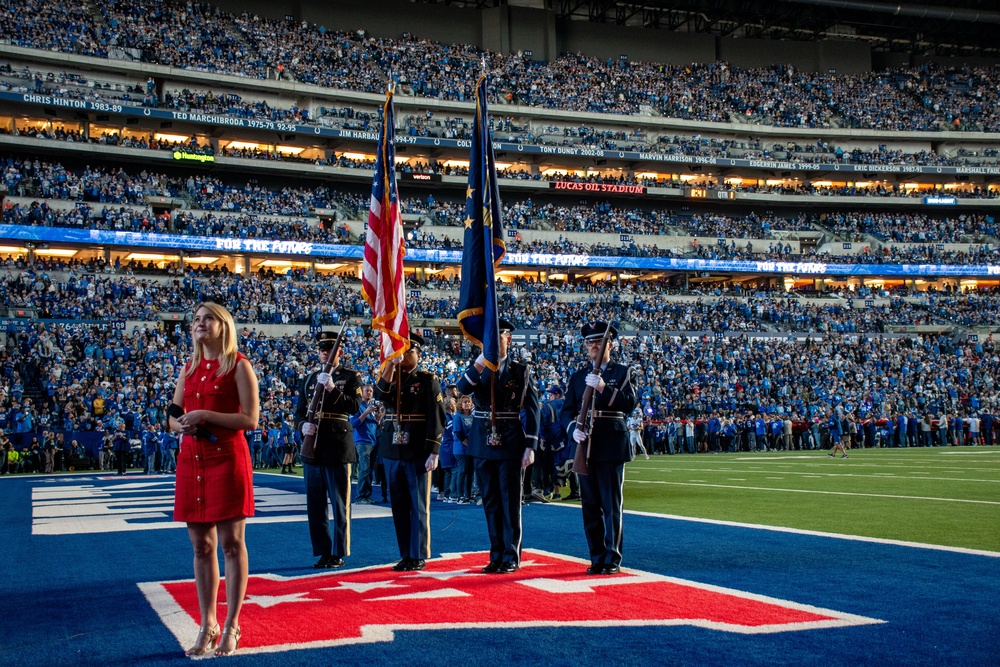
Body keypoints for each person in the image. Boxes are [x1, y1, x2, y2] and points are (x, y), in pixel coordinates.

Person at [169, 302, 259, 657]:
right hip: (193, 461)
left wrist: (206, 414)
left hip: (227, 460)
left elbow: (250, 419)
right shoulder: (187, 368)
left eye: (207, 319)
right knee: (200, 546)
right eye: (195, 320)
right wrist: (182, 424)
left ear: (224, 326)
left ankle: (232, 624)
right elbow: (173, 416)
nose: (199, 324)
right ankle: (208, 623)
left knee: (232, 545)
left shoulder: (239, 365)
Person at [457, 319, 540, 574]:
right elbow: (461, 389)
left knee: (509, 500)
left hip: (510, 441)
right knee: (490, 500)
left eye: (497, 337)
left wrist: (531, 445)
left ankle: (510, 555)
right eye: (487, 339)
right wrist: (480, 362)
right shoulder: (479, 367)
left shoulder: (519, 370)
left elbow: (533, 409)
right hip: (482, 441)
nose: (492, 342)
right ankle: (495, 554)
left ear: (509, 340)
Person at [560, 321, 637, 575]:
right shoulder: (577, 377)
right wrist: (574, 429)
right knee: (590, 506)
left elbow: (629, 404)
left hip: (611, 444)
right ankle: (595, 556)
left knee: (611, 505)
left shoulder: (623, 372)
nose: (593, 346)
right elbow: (567, 411)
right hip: (585, 447)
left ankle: (611, 558)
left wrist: (603, 387)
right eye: (590, 343)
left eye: (598, 342)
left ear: (610, 345)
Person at [375, 332, 446, 572]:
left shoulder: (427, 380)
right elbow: (378, 395)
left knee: (417, 504)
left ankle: (417, 554)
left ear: (418, 354)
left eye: (409, 352)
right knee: (398, 505)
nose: (404, 356)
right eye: (401, 352)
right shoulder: (391, 377)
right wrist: (388, 367)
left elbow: (437, 417)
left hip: (417, 448)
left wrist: (434, 451)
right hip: (393, 449)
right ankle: (405, 553)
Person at [295, 331, 362, 569]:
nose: (325, 353)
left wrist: (333, 388)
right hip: (313, 446)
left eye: (329, 349)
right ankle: (323, 551)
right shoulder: (310, 378)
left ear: (339, 353)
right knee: (315, 504)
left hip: (337, 445)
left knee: (339, 503)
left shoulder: (350, 377)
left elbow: (354, 407)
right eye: (322, 350)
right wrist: (304, 426)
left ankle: (339, 551)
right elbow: (299, 413)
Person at [349, 384, 380, 505]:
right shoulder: (357, 407)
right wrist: (365, 413)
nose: (369, 393)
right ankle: (361, 496)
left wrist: (378, 419)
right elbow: (353, 424)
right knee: (364, 469)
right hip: (362, 441)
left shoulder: (371, 408)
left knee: (369, 469)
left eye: (371, 391)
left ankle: (366, 495)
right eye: (367, 391)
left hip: (372, 440)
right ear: (361, 393)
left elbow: (374, 426)